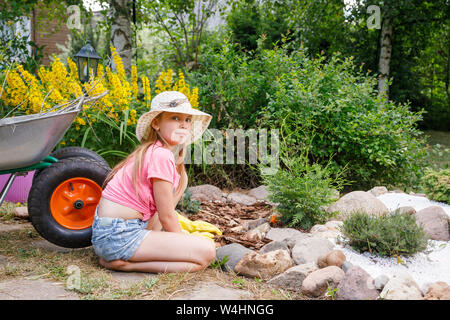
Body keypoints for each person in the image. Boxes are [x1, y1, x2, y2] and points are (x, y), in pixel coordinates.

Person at [91, 90, 216, 273]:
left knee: (198, 262)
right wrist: (182, 245)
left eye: (187, 120)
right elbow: (166, 216)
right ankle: (123, 264)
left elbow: (160, 210)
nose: (183, 124)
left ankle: (122, 260)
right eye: (175, 118)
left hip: (109, 234)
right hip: (119, 235)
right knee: (207, 251)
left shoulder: (151, 151)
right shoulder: (161, 155)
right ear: (156, 123)